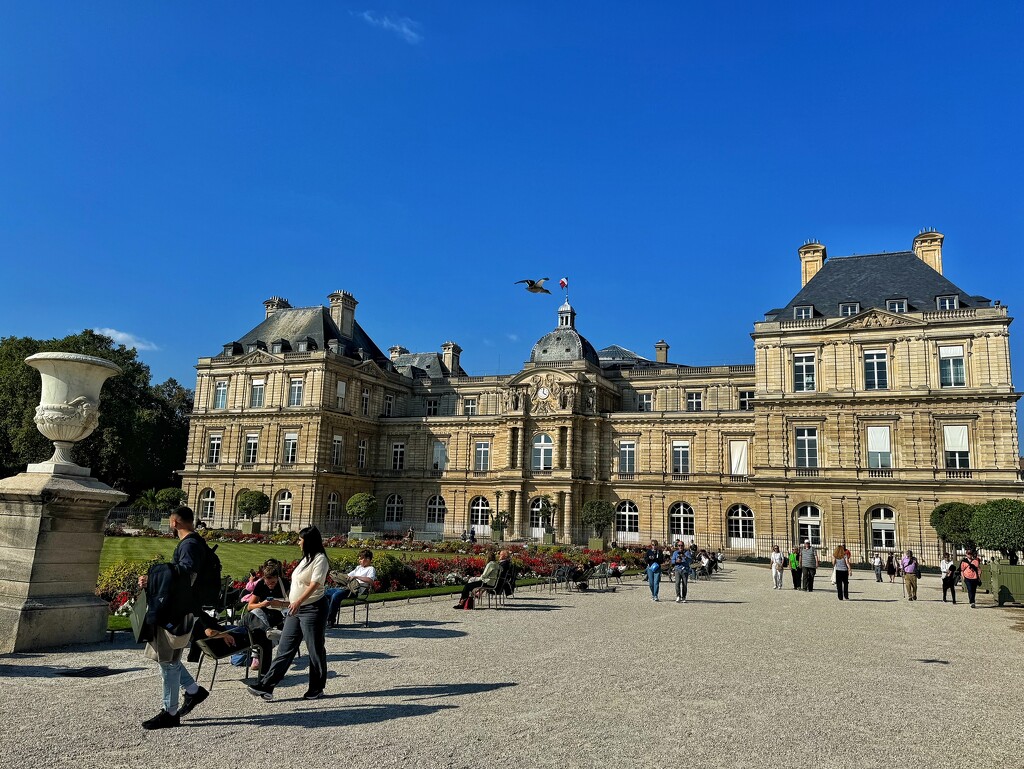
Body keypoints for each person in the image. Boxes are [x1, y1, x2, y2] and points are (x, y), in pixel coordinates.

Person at [137, 506, 213, 730]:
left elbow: (185, 576)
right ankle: (193, 690)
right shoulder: (194, 542)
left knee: (168, 662)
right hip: (182, 606)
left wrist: (152, 579)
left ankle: (170, 712)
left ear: (174, 522)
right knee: (168, 658)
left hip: (178, 609)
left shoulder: (189, 544)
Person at [247, 526, 330, 701]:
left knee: (315, 649)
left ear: (308, 541)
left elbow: (314, 584)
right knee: (285, 648)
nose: (298, 542)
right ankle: (267, 686)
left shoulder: (320, 559)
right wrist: (288, 603)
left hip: (312, 608)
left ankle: (317, 687)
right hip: (296, 608)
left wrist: (298, 602)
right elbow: (299, 586)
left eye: (300, 539)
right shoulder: (306, 559)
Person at [325, 550, 377, 626]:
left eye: (361, 558)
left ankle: (330, 621)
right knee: (326, 593)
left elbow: (370, 581)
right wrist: (339, 577)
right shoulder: (358, 568)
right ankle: (322, 617)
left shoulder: (371, 569)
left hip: (355, 590)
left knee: (336, 596)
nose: (359, 560)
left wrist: (356, 577)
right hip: (347, 587)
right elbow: (348, 576)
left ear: (368, 559)